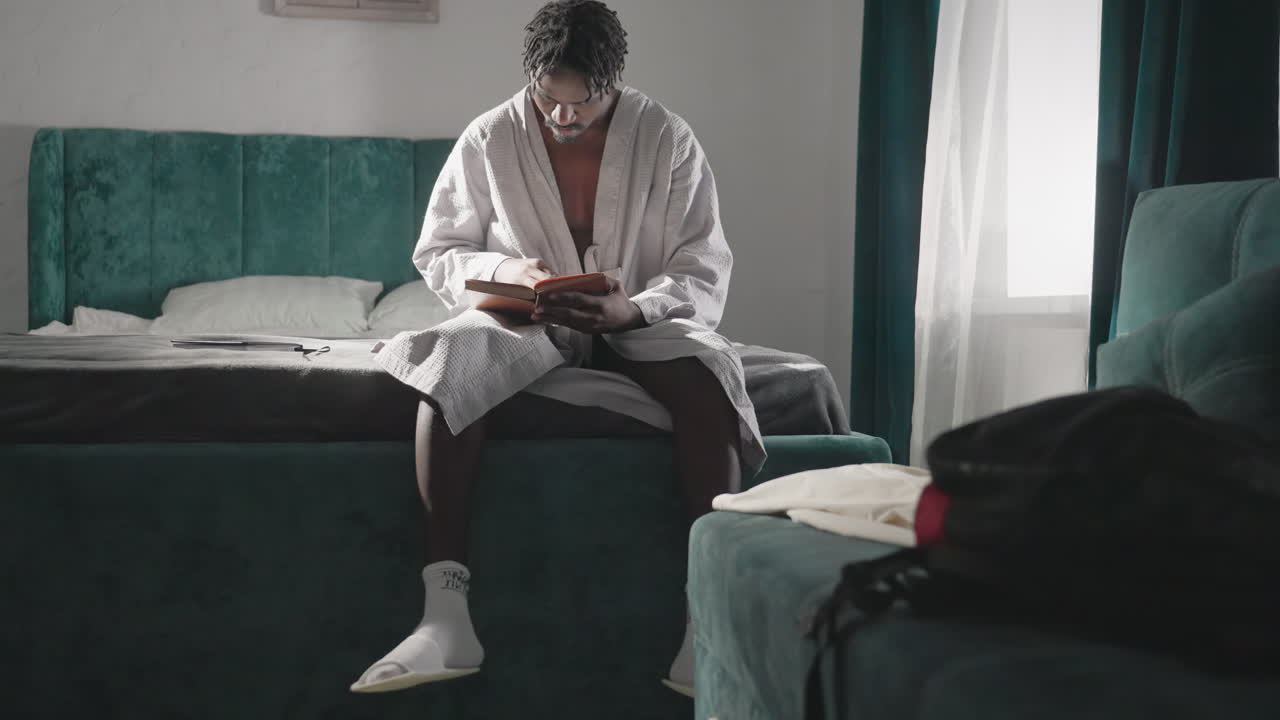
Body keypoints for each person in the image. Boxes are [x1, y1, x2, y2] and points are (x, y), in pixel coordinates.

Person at [350, 0, 764, 697]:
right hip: (525, 316)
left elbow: (701, 262)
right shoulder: (490, 137)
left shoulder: (666, 137)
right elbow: (442, 249)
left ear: (615, 82)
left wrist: (633, 307)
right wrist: (517, 279)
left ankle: (706, 626)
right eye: (549, 101)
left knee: (708, 378)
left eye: (585, 105)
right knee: (448, 364)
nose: (564, 119)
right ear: (532, 77)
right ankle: (444, 619)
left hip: (635, 316)